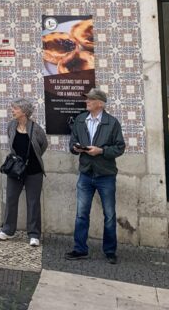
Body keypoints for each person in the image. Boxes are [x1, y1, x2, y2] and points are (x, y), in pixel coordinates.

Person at [65, 88, 125, 264]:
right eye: (87, 99)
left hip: (105, 175)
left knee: (109, 214)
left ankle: (110, 251)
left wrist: (101, 151)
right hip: (85, 173)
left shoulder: (112, 122)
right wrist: (75, 148)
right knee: (81, 214)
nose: (87, 102)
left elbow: (119, 147)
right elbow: (72, 141)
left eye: (90, 99)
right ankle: (80, 249)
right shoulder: (80, 120)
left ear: (100, 103)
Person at [0, 99, 48, 247]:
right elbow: (11, 144)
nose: (12, 110)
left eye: (15, 108)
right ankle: (7, 230)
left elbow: (43, 145)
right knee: (11, 199)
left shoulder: (36, 129)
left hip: (34, 171)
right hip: (15, 170)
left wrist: (31, 159)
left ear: (24, 112)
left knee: (33, 202)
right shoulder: (11, 126)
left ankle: (34, 234)